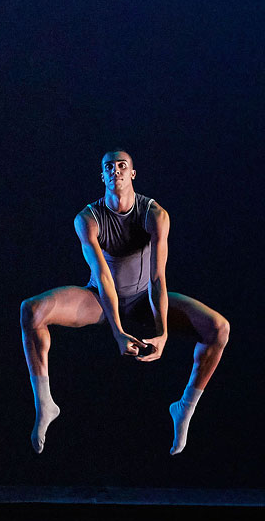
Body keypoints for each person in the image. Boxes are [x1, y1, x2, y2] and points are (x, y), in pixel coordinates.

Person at [20, 149, 230, 455]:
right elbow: (103, 277)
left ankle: (184, 407)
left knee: (219, 329)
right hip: (99, 299)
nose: (116, 171)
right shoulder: (88, 219)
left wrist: (163, 331)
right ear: (102, 175)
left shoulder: (154, 214)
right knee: (32, 310)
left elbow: (158, 277)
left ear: (132, 174)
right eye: (109, 167)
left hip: (145, 298)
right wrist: (118, 331)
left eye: (122, 166)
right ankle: (45, 404)